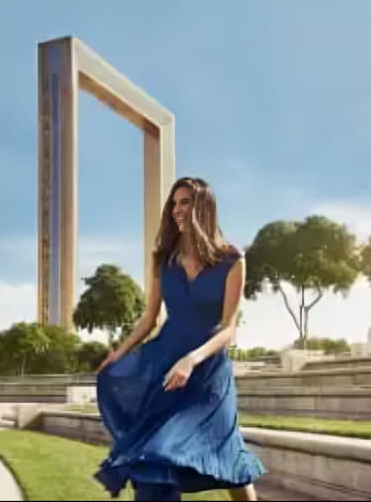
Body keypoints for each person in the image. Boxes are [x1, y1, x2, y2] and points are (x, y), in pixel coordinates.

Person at [94, 176, 266, 501]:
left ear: (204, 206)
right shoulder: (163, 260)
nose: (176, 210)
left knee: (227, 457)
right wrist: (120, 353)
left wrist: (192, 359)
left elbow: (228, 328)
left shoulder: (232, 259)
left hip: (207, 371)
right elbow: (149, 318)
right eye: (174, 203)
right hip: (166, 366)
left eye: (184, 202)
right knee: (158, 452)